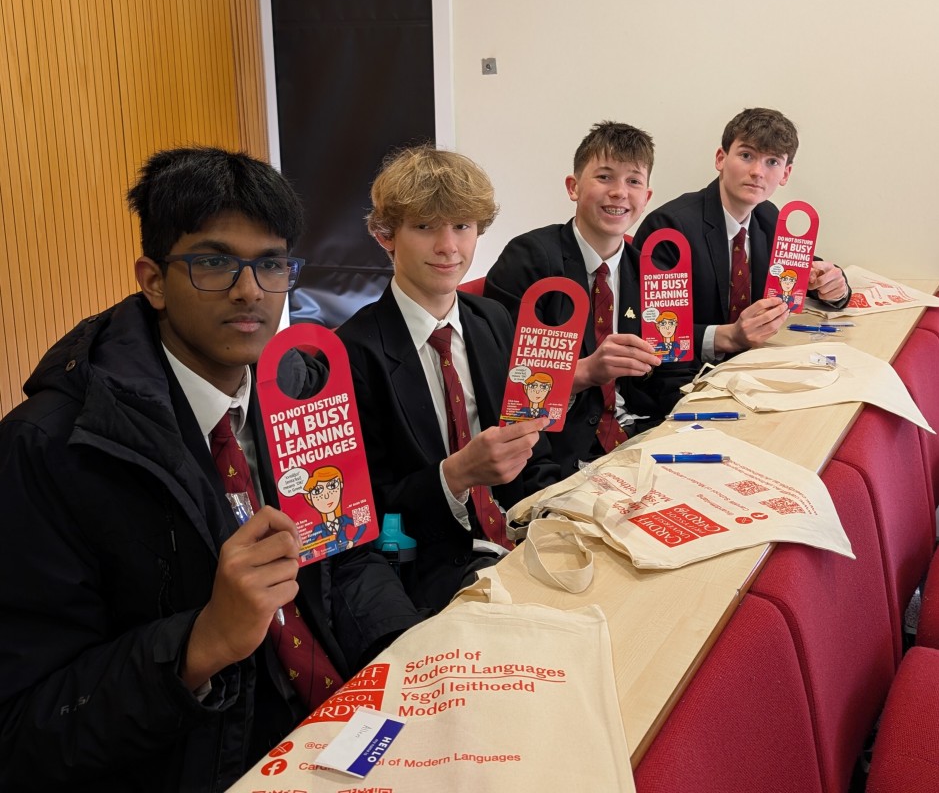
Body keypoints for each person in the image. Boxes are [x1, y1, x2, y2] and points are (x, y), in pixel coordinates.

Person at [0, 147, 423, 792]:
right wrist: (203, 643)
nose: (249, 289)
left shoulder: (302, 389)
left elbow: (346, 553)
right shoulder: (49, 448)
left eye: (271, 264)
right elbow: (23, 733)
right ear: (153, 279)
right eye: (213, 262)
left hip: (340, 729)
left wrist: (406, 660)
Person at [337, 146, 559, 611]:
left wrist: (560, 512)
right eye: (424, 227)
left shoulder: (493, 318)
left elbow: (531, 442)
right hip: (426, 564)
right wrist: (453, 476)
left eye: (462, 226)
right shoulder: (350, 353)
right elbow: (361, 514)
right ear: (385, 235)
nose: (448, 247)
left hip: (522, 536)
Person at [485, 121, 692, 476]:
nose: (619, 192)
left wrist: (691, 429)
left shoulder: (652, 271)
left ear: (647, 197)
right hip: (560, 454)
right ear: (573, 187)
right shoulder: (530, 258)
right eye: (605, 177)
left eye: (633, 181)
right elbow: (499, 380)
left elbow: (672, 370)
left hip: (643, 438)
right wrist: (584, 372)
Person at [633, 107, 850, 365]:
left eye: (772, 162)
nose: (758, 171)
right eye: (747, 155)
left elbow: (808, 272)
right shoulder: (669, 227)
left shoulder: (767, 216)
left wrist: (834, 286)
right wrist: (729, 336)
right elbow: (645, 328)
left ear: (786, 174)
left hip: (753, 366)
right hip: (683, 377)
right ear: (720, 159)